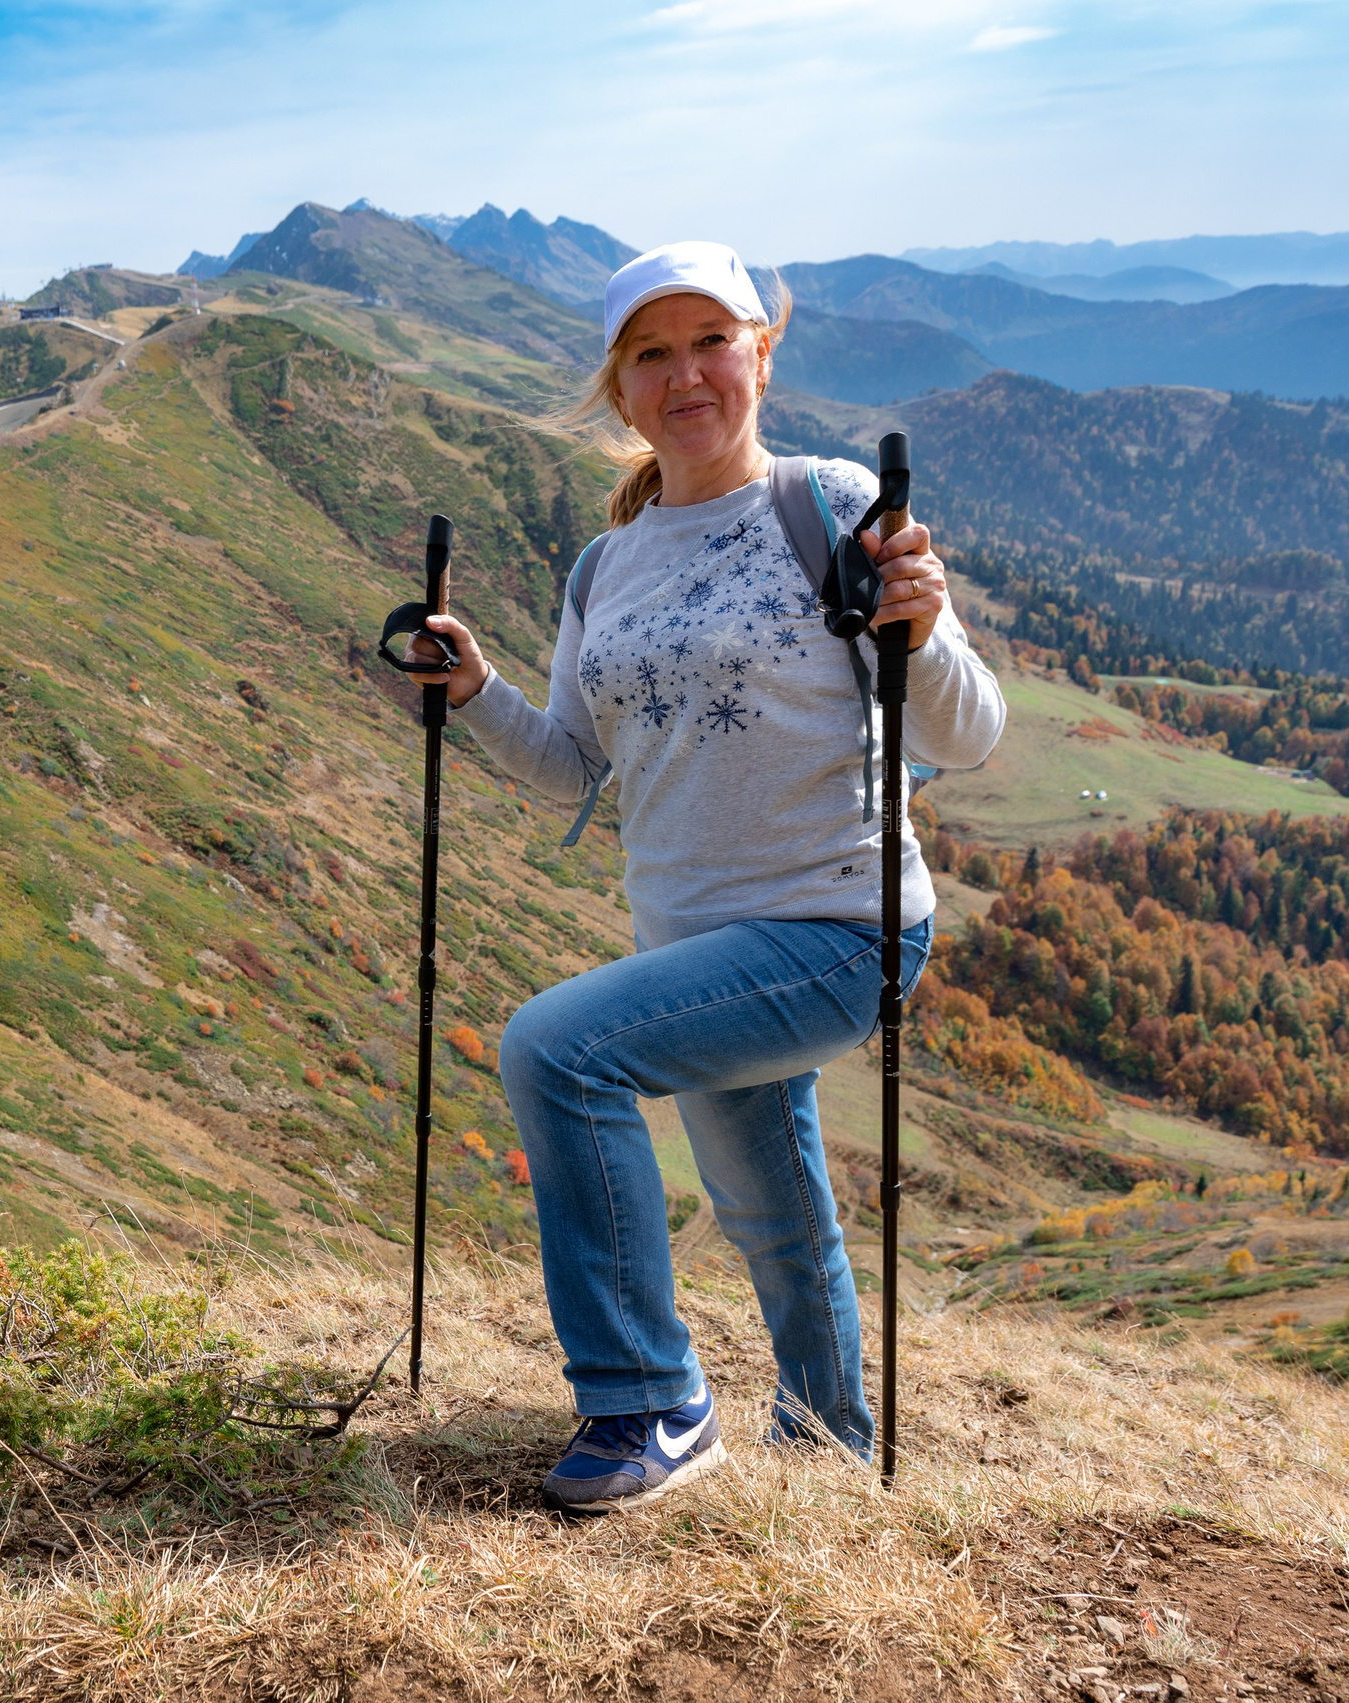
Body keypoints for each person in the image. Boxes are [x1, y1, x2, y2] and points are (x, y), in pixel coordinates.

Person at [408, 241, 1005, 1514]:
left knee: (554, 1051)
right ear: (618, 386)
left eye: (710, 342)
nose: (686, 373)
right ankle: (830, 1452)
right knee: (770, 1208)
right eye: (652, 353)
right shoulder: (602, 565)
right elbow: (575, 765)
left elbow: (964, 732)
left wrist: (920, 628)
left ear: (760, 355)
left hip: (841, 920)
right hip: (693, 943)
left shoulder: (831, 502)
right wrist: (477, 693)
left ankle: (648, 1402)